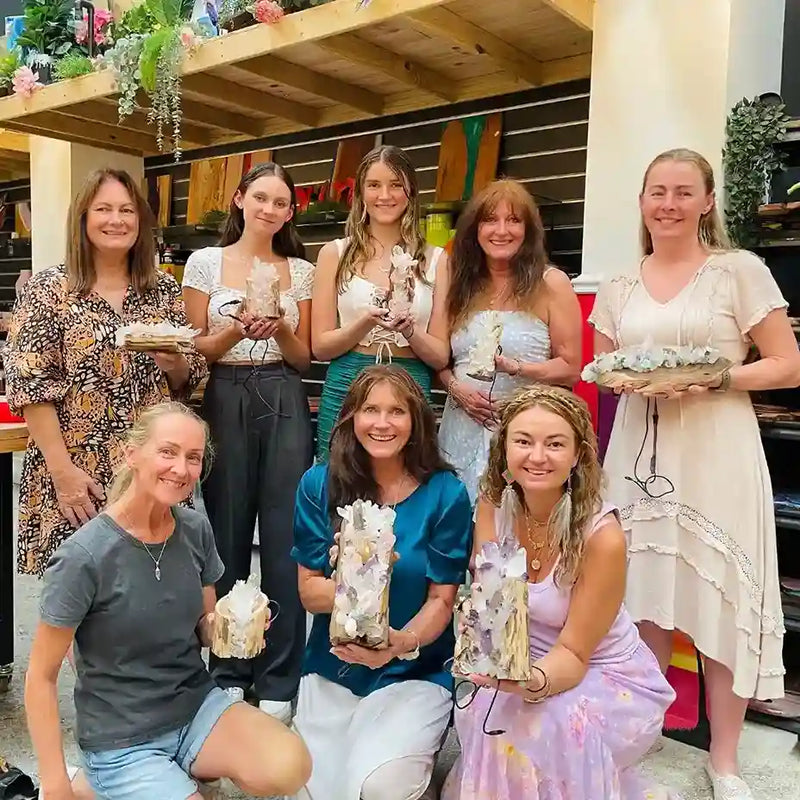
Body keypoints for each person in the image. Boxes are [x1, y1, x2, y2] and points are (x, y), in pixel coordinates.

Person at [589, 148, 800, 799]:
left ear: (708, 201)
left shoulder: (739, 271)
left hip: (717, 454)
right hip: (638, 453)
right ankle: (642, 736)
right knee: (640, 601)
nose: (669, 204)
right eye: (658, 191)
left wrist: (713, 378)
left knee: (722, 605)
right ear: (642, 201)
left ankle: (725, 761)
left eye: (684, 192)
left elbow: (788, 364)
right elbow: (604, 368)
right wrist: (630, 380)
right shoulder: (619, 287)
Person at [24, 402, 311, 800]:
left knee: (290, 765)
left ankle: (163, 777)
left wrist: (234, 626)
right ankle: (93, 784)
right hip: (122, 736)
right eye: (167, 452)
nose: (181, 469)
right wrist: (54, 784)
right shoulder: (84, 556)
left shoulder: (194, 529)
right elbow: (40, 676)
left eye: (193, 458)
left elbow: (205, 628)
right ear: (131, 454)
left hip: (194, 707)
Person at [442, 386, 676, 800]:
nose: (537, 456)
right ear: (503, 449)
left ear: (577, 455)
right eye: (523, 441)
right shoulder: (492, 504)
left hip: (601, 673)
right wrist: (479, 636)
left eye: (554, 444)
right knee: (489, 717)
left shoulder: (602, 537)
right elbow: (492, 600)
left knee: (549, 725)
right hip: (521, 659)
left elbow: (574, 654)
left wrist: (527, 683)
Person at [4, 168, 206, 577]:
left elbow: (188, 379)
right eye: (104, 209)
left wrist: (175, 364)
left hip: (152, 471)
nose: (117, 220)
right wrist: (63, 474)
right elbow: (30, 386)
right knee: (79, 595)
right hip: (77, 471)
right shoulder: (49, 290)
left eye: (127, 210)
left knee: (153, 588)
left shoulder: (162, 290)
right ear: (83, 218)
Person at [291, 365, 472, 800]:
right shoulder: (318, 484)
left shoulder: (446, 493)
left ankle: (415, 762)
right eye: (370, 409)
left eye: (397, 411)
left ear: (417, 422)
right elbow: (309, 592)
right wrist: (357, 580)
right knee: (309, 789)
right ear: (352, 416)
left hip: (414, 670)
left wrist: (400, 643)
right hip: (335, 666)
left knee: (377, 787)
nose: (382, 423)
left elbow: (442, 600)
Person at [183, 162, 314, 722]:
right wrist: (235, 328)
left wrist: (280, 327)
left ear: (290, 212)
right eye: (260, 197)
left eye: (281, 202)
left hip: (284, 393)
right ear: (239, 199)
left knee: (286, 537)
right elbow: (194, 348)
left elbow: (306, 358)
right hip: (226, 391)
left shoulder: (301, 271)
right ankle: (229, 667)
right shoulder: (205, 263)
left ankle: (281, 674)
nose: (269, 209)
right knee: (227, 531)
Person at [437, 180, 582, 504]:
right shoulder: (460, 286)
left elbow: (571, 367)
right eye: (490, 220)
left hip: (525, 434)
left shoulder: (552, 284)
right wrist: (456, 389)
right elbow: (441, 362)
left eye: (513, 220)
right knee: (457, 521)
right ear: (475, 229)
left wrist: (519, 369)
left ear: (528, 230)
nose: (501, 230)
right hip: (460, 428)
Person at [311, 145, 451, 461]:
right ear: (361, 193)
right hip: (347, 381)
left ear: (411, 191)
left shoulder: (438, 259)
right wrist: (364, 322)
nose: (384, 195)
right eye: (374, 185)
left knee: (408, 477)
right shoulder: (334, 254)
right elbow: (320, 347)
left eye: (396, 185)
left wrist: (410, 331)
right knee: (339, 474)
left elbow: (440, 355)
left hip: (410, 383)